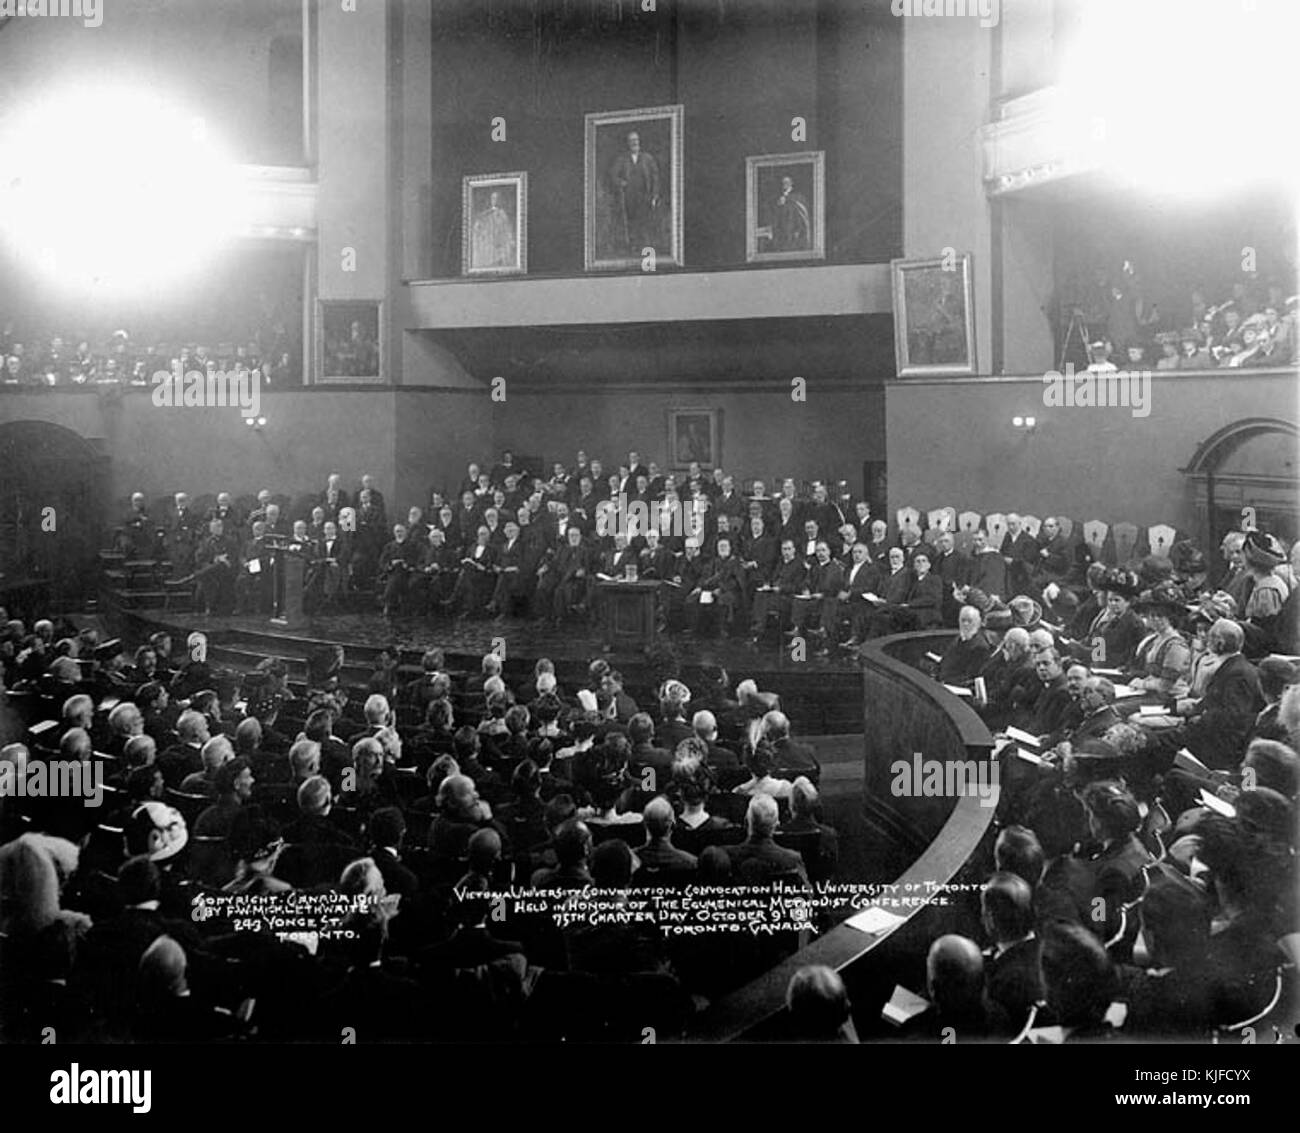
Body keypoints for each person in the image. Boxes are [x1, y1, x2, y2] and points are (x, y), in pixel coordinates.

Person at [609, 129, 661, 256]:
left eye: (636, 140)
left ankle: (647, 249)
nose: (634, 143)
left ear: (639, 142)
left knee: (644, 222)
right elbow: (612, 175)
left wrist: (654, 196)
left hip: (645, 196)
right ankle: (633, 248)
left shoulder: (648, 159)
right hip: (629, 197)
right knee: (631, 222)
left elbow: (655, 178)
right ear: (628, 143)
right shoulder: (622, 159)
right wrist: (621, 182)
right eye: (631, 141)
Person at [471, 189, 516, 269]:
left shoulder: (503, 214)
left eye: (497, 198)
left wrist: (510, 239)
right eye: (493, 198)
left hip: (500, 244)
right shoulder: (485, 214)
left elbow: (507, 228)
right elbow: (479, 227)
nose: (495, 200)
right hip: (490, 244)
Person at [770, 174, 812, 253]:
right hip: (783, 227)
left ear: (791, 183)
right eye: (783, 182)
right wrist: (779, 205)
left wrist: (787, 201)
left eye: (787, 182)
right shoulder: (779, 197)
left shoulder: (798, 196)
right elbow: (776, 213)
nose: (784, 184)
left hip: (794, 226)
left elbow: (801, 212)